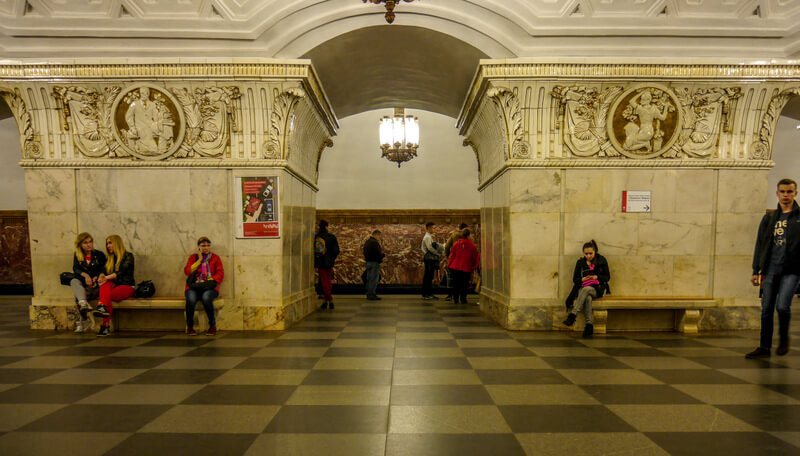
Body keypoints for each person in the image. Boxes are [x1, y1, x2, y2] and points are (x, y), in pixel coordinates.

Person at [747, 178, 800, 358]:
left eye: (790, 192)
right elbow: (760, 244)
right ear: (777, 193)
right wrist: (756, 270)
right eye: (783, 192)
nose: (786, 195)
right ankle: (764, 347)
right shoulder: (769, 218)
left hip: (792, 270)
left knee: (783, 307)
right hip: (771, 269)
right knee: (766, 309)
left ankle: (784, 338)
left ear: (795, 193)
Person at [563, 240, 611, 338]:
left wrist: (596, 277)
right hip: (583, 287)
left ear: (595, 252)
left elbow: (607, 277)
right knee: (587, 297)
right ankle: (589, 326)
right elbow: (575, 279)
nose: (588, 256)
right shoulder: (580, 262)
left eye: (590, 253)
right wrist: (582, 279)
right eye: (586, 254)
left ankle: (573, 315)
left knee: (587, 291)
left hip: (597, 288)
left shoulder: (601, 260)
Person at [92, 235, 135, 336]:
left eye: (110, 243)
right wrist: (101, 277)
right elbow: (103, 271)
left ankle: (104, 323)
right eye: (107, 243)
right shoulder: (110, 258)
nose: (108, 246)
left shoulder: (128, 256)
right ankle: (103, 312)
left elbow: (121, 272)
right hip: (113, 286)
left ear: (117, 243)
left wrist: (106, 278)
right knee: (105, 287)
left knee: (106, 296)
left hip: (127, 286)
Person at [184, 236, 224, 336]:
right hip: (194, 287)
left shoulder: (215, 258)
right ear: (198, 247)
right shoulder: (193, 258)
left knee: (206, 298)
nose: (206, 248)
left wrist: (209, 280)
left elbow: (220, 273)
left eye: (208, 245)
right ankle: (190, 326)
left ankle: (212, 326)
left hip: (209, 287)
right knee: (191, 299)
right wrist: (200, 260)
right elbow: (187, 271)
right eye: (203, 246)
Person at [70, 232, 107, 333]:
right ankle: (83, 303)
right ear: (80, 245)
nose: (88, 245)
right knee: (74, 281)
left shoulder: (99, 255)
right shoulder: (77, 255)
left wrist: (97, 276)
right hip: (85, 286)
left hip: (96, 286)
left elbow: (105, 269)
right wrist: (86, 276)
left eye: (90, 242)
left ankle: (84, 320)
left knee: (78, 296)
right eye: (85, 243)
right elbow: (76, 269)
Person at [447, 229, 480, 304]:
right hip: (466, 267)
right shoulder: (472, 245)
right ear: (468, 235)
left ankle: (455, 298)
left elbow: (452, 255)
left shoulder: (456, 244)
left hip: (455, 266)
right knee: (464, 284)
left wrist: (449, 264)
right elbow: (474, 257)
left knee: (456, 283)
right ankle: (463, 298)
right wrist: (474, 266)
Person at [315, 220, 340, 310]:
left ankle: (326, 301)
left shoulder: (316, 237)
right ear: (326, 226)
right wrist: (331, 258)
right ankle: (329, 299)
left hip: (319, 262)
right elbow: (336, 250)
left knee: (323, 281)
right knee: (328, 281)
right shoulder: (331, 237)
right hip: (329, 262)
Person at [421, 222, 445, 300]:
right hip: (429, 258)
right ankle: (427, 294)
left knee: (429, 276)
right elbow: (430, 248)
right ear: (429, 228)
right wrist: (438, 254)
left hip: (428, 258)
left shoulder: (428, 236)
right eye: (433, 228)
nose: (434, 229)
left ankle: (427, 293)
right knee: (428, 276)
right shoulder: (427, 237)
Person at [444, 223, 468, 300]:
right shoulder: (468, 238)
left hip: (454, 260)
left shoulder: (454, 236)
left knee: (452, 279)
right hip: (464, 262)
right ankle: (462, 296)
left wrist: (447, 256)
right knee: (463, 279)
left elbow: (447, 246)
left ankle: (450, 295)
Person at [363, 230, 385, 301]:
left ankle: (369, 293)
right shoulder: (374, 243)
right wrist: (382, 257)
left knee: (369, 279)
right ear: (376, 235)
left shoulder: (367, 242)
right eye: (379, 236)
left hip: (368, 262)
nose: (379, 238)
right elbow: (377, 254)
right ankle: (371, 294)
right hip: (374, 263)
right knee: (374, 279)